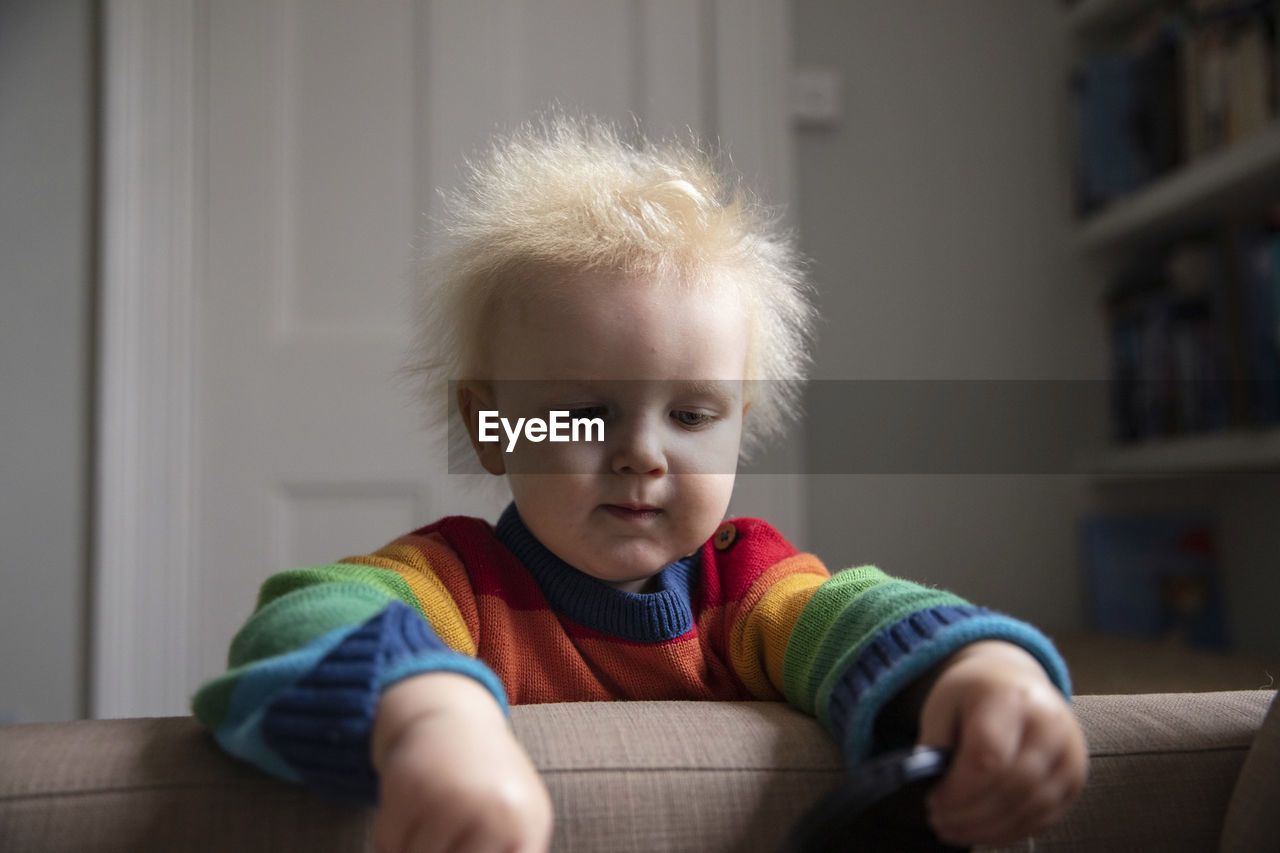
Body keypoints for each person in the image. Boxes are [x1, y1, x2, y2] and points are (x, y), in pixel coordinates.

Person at [193, 116, 1087, 853]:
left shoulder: (747, 588)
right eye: (585, 411)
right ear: (489, 425)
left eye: (692, 416)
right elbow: (301, 621)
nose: (642, 455)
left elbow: (860, 615)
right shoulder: (455, 586)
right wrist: (429, 716)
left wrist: (981, 669)